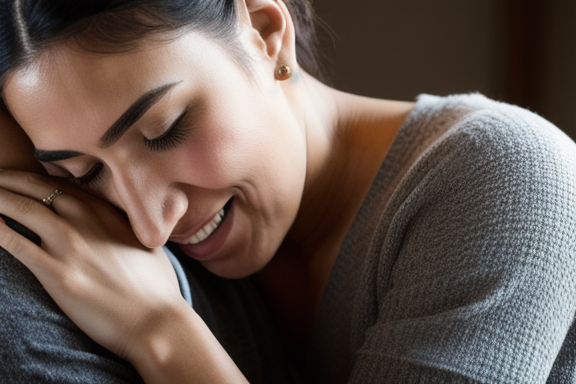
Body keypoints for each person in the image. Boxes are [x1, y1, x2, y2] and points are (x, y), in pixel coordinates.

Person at [1, 0, 575, 383]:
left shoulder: (505, 178)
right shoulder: (174, 247)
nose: (150, 227)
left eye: (165, 130)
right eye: (82, 173)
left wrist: (161, 332)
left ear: (266, 33)